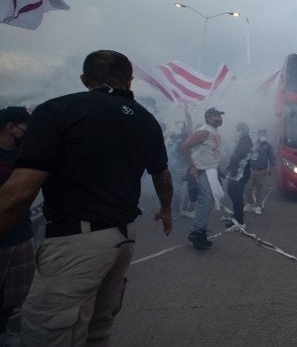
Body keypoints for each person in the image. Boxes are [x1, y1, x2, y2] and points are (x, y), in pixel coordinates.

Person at [0, 50, 173, 346]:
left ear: (84, 79)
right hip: (123, 238)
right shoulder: (147, 121)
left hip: (76, 241)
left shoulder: (59, 109)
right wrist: (166, 208)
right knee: (97, 329)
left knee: (49, 333)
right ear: (129, 80)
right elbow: (162, 175)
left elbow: (19, 191)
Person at [0, 107, 33, 340]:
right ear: (11, 127)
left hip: (21, 235)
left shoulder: (26, 153)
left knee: (18, 297)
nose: (28, 130)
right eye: (25, 126)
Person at [180, 107, 225, 250]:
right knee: (204, 202)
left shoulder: (214, 132)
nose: (220, 118)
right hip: (200, 171)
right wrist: (192, 168)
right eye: (217, 116)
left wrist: (220, 170)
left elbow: (213, 154)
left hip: (211, 171)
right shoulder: (204, 131)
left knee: (209, 202)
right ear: (209, 117)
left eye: (220, 115)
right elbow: (184, 147)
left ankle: (202, 232)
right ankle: (195, 234)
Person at [225, 122, 253, 231]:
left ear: (243, 131)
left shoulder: (245, 142)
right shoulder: (240, 142)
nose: (236, 133)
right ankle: (237, 214)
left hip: (241, 172)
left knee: (236, 195)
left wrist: (227, 168)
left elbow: (237, 158)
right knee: (231, 192)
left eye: (238, 130)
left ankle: (239, 220)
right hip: (236, 171)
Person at [245, 129, 275, 215]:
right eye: (260, 135)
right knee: (248, 188)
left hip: (262, 171)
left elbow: (272, 158)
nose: (262, 136)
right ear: (257, 136)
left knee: (260, 189)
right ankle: (250, 203)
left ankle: (258, 206)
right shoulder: (252, 145)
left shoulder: (268, 146)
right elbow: (247, 157)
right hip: (251, 170)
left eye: (264, 135)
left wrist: (271, 168)